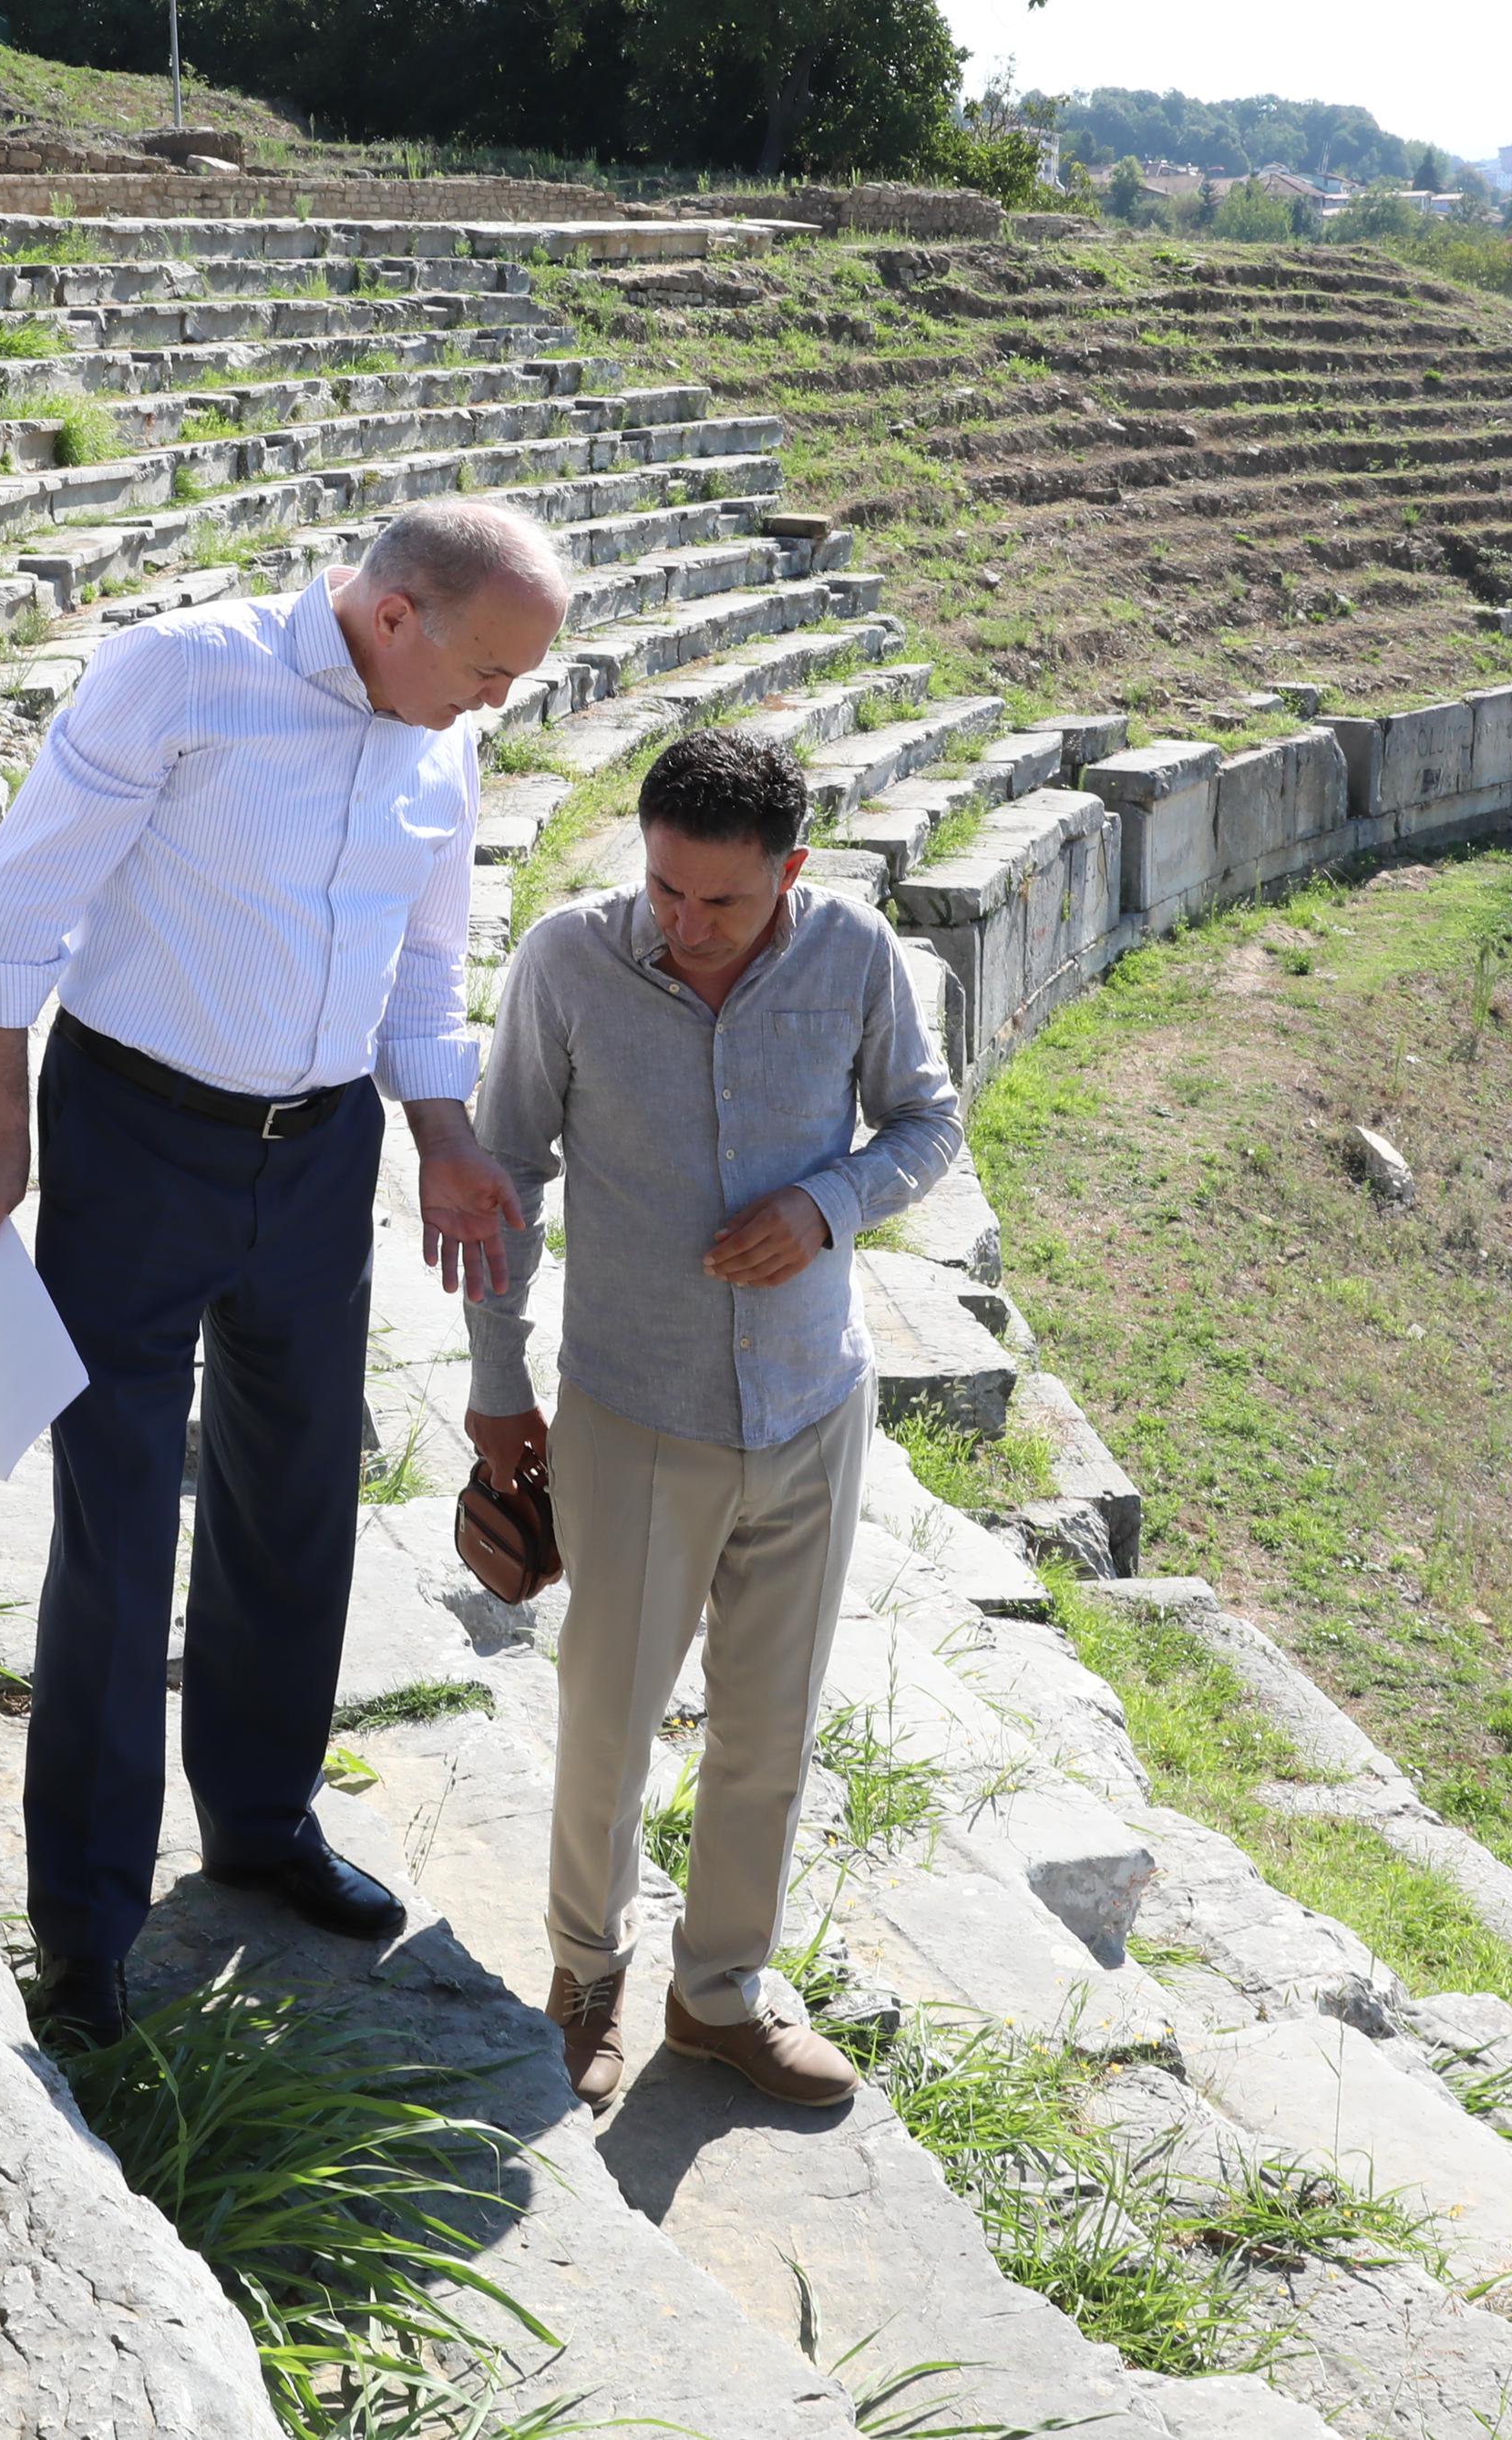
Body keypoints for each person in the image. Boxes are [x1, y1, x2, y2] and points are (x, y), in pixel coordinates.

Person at [0, 498, 568, 2048]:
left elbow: (426, 959)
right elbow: (20, 901)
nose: (499, 703)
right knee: (116, 1517)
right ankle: (85, 1919)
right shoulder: (184, 673)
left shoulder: (444, 737)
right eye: (489, 670)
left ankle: (261, 1822)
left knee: (295, 1492)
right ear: (397, 614)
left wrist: (439, 1128)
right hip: (137, 1137)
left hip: (320, 1154)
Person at [465, 728, 964, 2111]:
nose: (682, 926)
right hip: (633, 1406)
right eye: (665, 889)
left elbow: (927, 1124)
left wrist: (826, 1206)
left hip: (811, 1399)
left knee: (770, 1724)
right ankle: (583, 1977)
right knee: (606, 1716)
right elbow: (504, 1170)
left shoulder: (855, 954)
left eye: (721, 903)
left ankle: (720, 1994)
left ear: (792, 871)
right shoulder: (569, 961)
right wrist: (498, 1383)